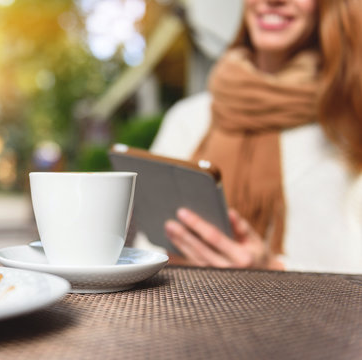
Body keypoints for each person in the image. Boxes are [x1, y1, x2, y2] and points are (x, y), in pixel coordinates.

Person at [144, 0, 362, 273]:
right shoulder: (187, 118)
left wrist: (271, 268)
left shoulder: (349, 123)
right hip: (183, 310)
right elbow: (146, 245)